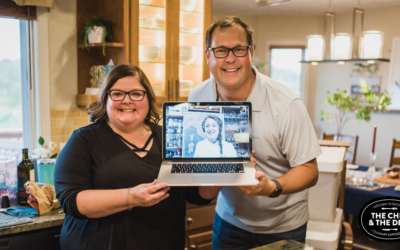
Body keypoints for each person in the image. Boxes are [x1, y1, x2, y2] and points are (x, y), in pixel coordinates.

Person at [54, 64, 224, 250]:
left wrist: (222, 172)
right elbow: (71, 200)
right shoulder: (83, 140)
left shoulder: (172, 137)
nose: (127, 100)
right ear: (106, 99)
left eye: (136, 93)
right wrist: (130, 197)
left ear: (148, 98)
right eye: (117, 93)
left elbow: (197, 195)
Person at [188, 16, 322, 249]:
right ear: (208, 55)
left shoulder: (286, 103)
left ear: (251, 53)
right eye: (220, 50)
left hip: (283, 226)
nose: (230, 58)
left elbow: (310, 171)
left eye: (239, 49)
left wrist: (271, 187)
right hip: (229, 220)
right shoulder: (197, 97)